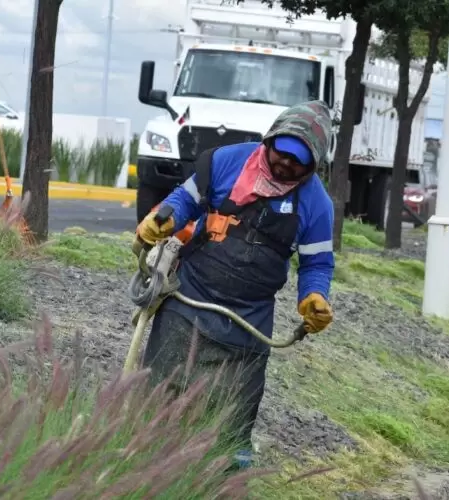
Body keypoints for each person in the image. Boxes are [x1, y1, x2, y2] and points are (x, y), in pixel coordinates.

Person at [133, 100, 336, 470]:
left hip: (249, 321)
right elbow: (184, 200)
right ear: (269, 140)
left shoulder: (316, 205)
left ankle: (221, 482)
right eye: (282, 152)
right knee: (160, 396)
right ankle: (146, 468)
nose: (286, 163)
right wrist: (162, 218)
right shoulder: (225, 162)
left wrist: (314, 296)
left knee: (230, 422)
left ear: (314, 165)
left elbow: (317, 263)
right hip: (188, 300)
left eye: (298, 160)